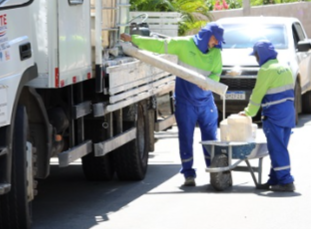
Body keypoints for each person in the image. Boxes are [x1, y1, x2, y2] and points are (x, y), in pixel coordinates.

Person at [121, 23, 225, 187]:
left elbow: (217, 72)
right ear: (206, 36)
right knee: (185, 137)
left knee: (211, 139)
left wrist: (211, 82)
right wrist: (134, 39)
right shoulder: (184, 45)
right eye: (214, 39)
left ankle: (215, 173)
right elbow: (159, 45)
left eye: (218, 41)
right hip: (185, 102)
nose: (216, 43)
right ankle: (188, 174)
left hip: (206, 102)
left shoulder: (216, 53)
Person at [232, 39, 297, 192]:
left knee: (277, 149)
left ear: (260, 55)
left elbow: (257, 94)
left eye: (256, 55)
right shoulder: (284, 67)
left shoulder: (266, 70)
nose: (256, 59)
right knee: (280, 148)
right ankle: (274, 179)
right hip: (288, 115)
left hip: (274, 115)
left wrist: (248, 113)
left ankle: (286, 181)